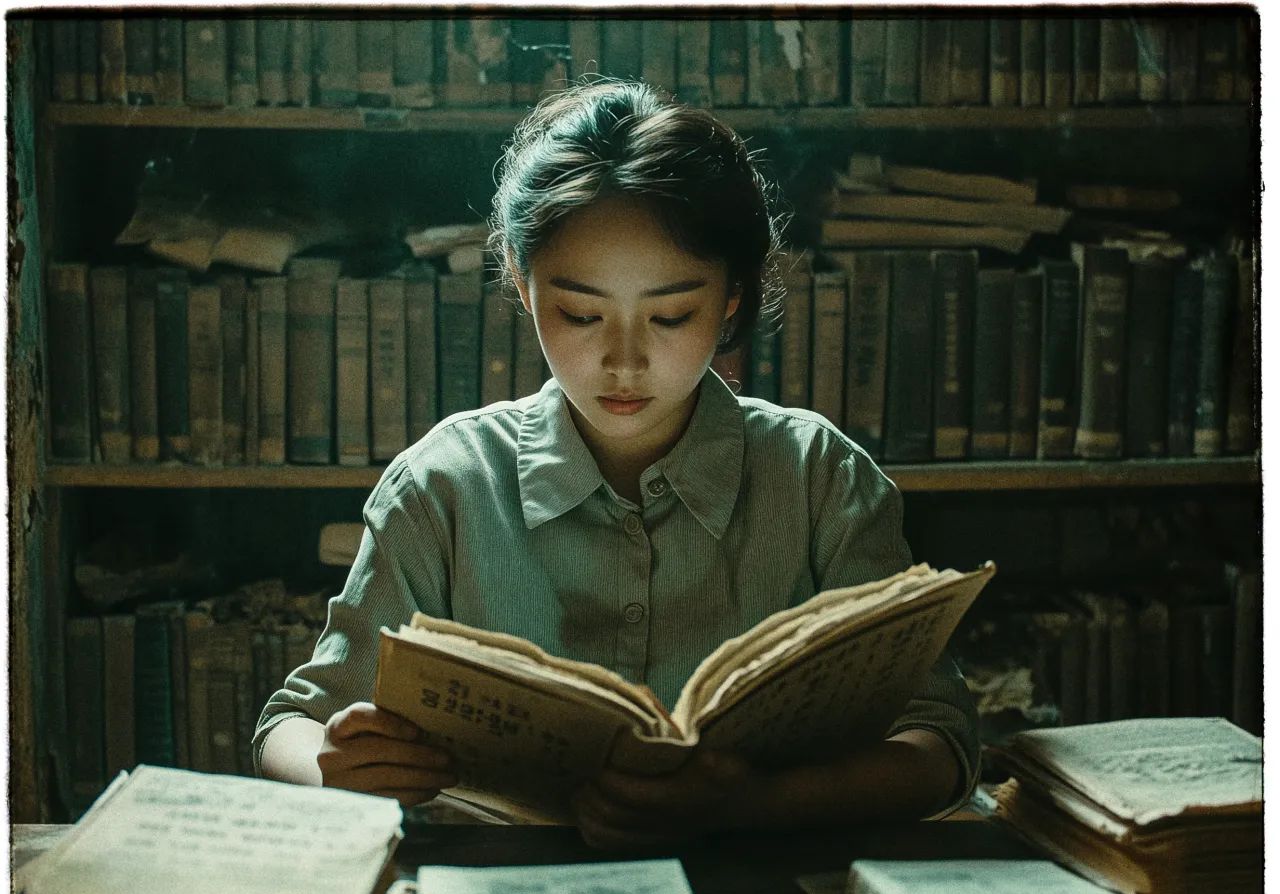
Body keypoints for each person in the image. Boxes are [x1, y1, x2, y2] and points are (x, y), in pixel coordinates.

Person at [254, 79, 980, 851]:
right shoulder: (445, 487)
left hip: (760, 890)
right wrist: (332, 765)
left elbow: (941, 743)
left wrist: (757, 803)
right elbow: (287, 729)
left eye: (671, 316)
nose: (624, 360)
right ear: (521, 281)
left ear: (733, 295)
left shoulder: (820, 480)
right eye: (580, 313)